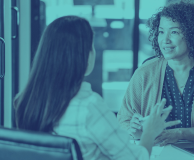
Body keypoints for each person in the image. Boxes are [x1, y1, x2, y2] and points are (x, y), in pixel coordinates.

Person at [13, 16, 180, 160]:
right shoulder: (89, 107)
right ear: (82, 56)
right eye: (91, 46)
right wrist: (150, 132)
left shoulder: (25, 101)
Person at [117, 0, 194, 146]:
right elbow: (123, 122)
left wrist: (182, 133)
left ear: (192, 34)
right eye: (161, 32)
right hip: (155, 152)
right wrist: (136, 132)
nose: (165, 40)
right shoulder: (144, 73)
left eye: (174, 32)